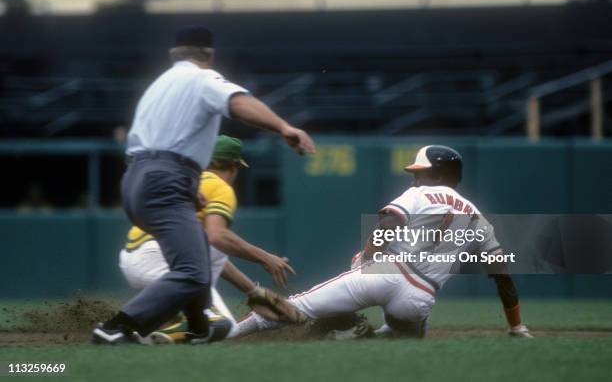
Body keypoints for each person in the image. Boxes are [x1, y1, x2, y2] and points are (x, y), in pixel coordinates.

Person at [93, 25, 315, 345]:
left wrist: (183, 184)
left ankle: (199, 327)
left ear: (173, 54)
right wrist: (283, 127)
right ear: (208, 55)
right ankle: (117, 328)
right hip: (165, 178)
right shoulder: (201, 78)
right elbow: (238, 102)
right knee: (194, 272)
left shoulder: (158, 86)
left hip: (138, 178)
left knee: (198, 253)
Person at [233, 145, 533, 339]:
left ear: (438, 173)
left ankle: (226, 334)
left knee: (297, 307)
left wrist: (367, 258)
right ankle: (359, 335)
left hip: (388, 272)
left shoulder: (419, 194)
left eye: (420, 172)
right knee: (403, 337)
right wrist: (516, 326)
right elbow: (503, 276)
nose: (415, 178)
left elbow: (389, 223)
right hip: (419, 298)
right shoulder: (478, 218)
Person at [118, 135, 295, 342]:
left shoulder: (182, 179)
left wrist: (253, 291)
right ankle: (146, 339)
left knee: (210, 245)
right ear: (234, 166)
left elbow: (213, 250)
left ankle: (147, 327)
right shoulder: (220, 187)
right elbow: (218, 236)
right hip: (158, 258)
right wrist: (265, 257)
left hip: (133, 259)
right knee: (219, 325)